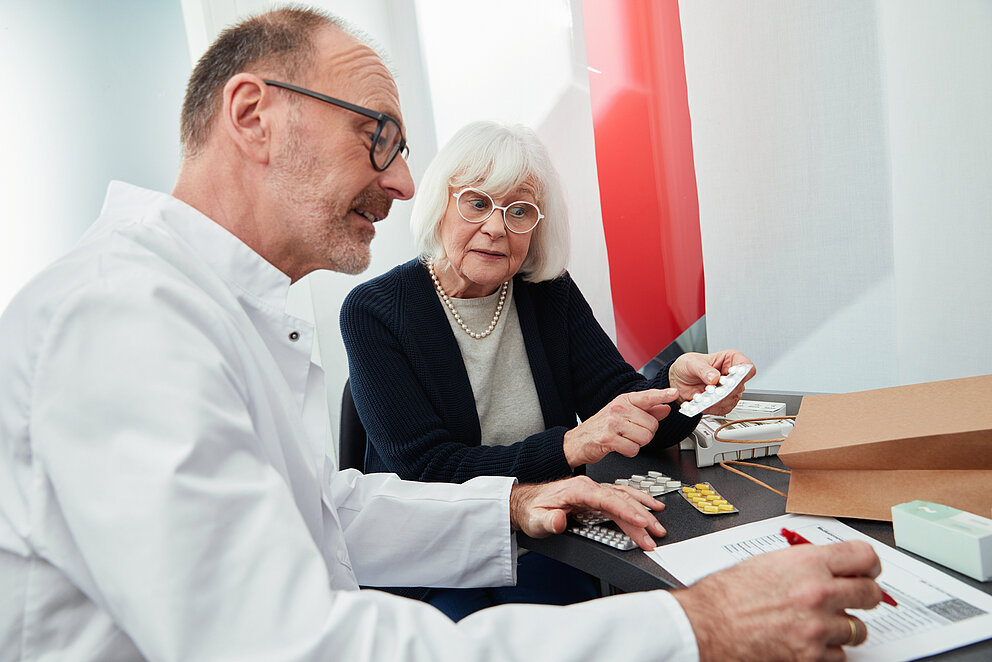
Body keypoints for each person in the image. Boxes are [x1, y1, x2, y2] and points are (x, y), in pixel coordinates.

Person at [0, 7, 883, 661]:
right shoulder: (126, 320)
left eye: (520, 208)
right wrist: (698, 627)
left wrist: (515, 499)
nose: (401, 180)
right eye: (377, 136)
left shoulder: (221, 308)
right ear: (253, 116)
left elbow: (327, 508)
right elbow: (290, 646)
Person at [340, 120, 756, 618]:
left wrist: (684, 392)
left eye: (519, 211)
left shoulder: (547, 293)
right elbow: (425, 472)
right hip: (434, 558)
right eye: (477, 203)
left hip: (549, 540)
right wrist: (571, 445)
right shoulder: (375, 311)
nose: (496, 228)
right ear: (441, 203)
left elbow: (618, 404)